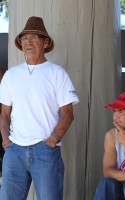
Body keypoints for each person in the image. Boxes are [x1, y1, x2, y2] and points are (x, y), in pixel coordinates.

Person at [0, 16, 79, 200]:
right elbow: (4, 114)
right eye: (24, 38)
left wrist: (53, 139)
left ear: (45, 43)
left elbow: (68, 114)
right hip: (15, 151)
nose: (28, 42)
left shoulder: (57, 73)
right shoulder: (11, 75)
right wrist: (6, 142)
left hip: (45, 150)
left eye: (34, 38)